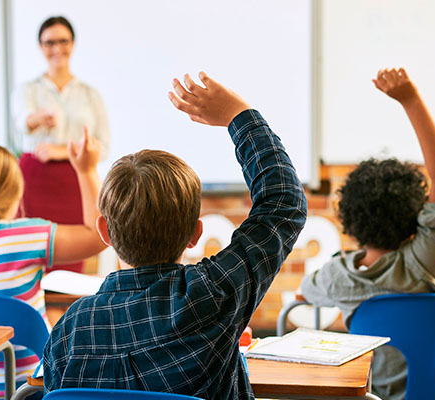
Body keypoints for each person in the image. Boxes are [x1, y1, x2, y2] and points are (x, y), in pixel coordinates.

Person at [42, 72, 307, 399]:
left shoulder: (69, 332)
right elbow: (283, 203)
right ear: (195, 234)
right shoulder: (211, 297)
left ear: (105, 233)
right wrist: (238, 115)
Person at [298, 68, 435, 400]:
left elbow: (306, 292)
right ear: (417, 216)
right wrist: (410, 100)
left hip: (382, 395)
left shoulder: (336, 276)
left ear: (349, 218)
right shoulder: (424, 260)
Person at [0, 128, 106, 399]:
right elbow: (100, 235)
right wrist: (86, 171)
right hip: (26, 390)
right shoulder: (29, 235)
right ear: (17, 192)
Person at [12, 16, 110, 273]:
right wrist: (37, 119)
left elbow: (103, 146)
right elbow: (23, 122)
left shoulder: (90, 94)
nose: (57, 48)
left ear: (73, 44)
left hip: (76, 180)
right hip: (34, 181)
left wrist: (61, 151)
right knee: (31, 252)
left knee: (75, 255)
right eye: (50, 42)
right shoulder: (27, 90)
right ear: (40, 46)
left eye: (63, 41)